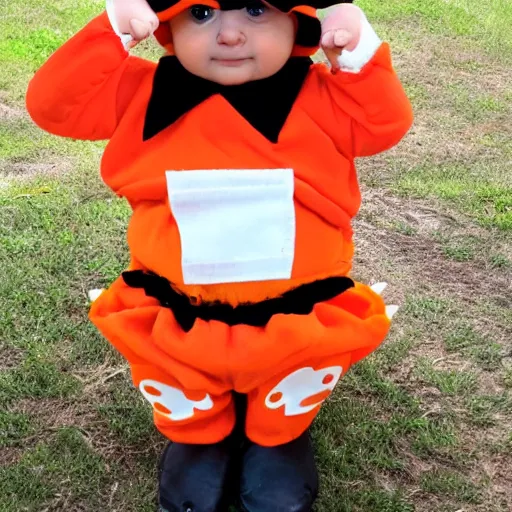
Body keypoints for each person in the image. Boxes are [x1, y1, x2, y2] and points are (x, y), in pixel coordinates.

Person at [26, 0, 413, 509]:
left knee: (292, 363)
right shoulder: (141, 93)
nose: (229, 35)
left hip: (296, 297)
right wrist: (112, 31)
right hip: (180, 295)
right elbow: (55, 108)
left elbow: (384, 124)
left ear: (299, 23)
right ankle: (198, 434)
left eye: (255, 10)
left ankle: (279, 435)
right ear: (167, 26)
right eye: (202, 16)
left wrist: (357, 49)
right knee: (178, 362)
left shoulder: (322, 95)